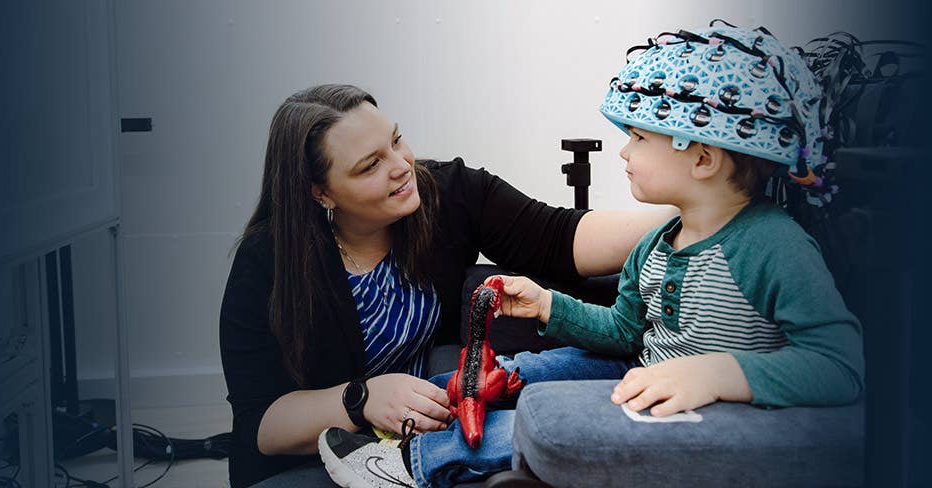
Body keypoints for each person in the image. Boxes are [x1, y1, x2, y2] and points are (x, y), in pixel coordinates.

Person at [315, 24, 864, 488]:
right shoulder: (656, 244)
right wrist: (549, 306)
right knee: (520, 371)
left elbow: (840, 365)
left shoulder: (773, 245)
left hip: (707, 414)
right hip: (645, 370)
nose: (624, 150)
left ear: (702, 159)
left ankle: (406, 465)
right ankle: (404, 419)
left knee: (533, 421)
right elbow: (626, 334)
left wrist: (721, 374)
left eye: (640, 138)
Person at [219, 83, 674, 488]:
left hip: (432, 433)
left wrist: (698, 215)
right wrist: (361, 399)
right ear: (322, 192)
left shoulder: (445, 192)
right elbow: (262, 424)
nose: (401, 167)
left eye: (396, 141)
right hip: (319, 453)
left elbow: (564, 237)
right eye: (369, 166)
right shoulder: (269, 261)